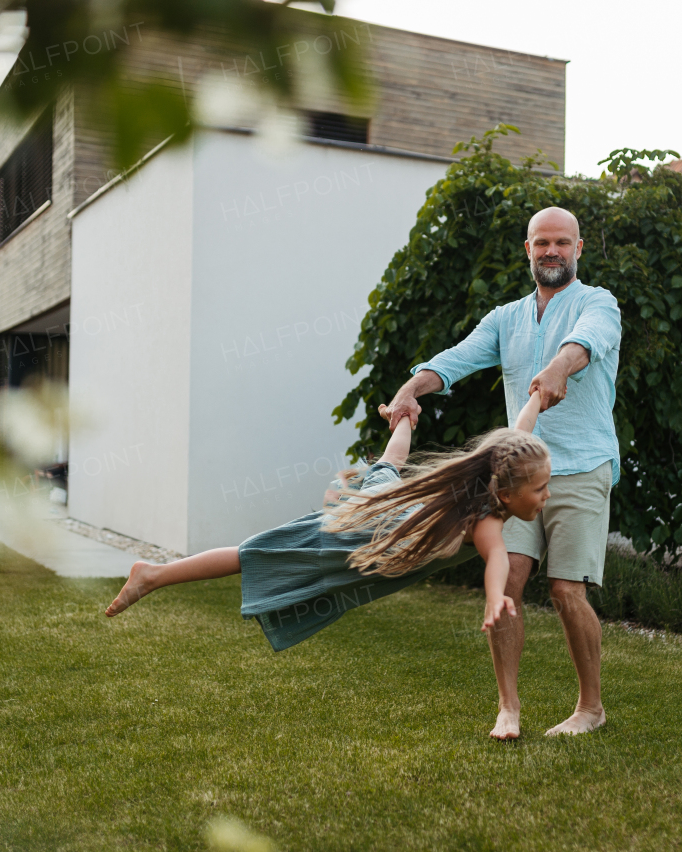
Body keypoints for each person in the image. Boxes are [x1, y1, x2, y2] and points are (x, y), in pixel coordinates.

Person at [385, 206, 621, 740]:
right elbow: (456, 359)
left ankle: (591, 707)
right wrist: (410, 389)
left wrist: (560, 367)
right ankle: (508, 709)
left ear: (578, 249)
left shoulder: (598, 302)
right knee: (507, 580)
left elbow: (588, 341)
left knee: (566, 590)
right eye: (542, 243)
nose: (552, 251)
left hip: (582, 467)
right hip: (518, 476)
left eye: (562, 242)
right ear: (528, 250)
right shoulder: (505, 318)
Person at [105, 393, 548, 660]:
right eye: (542, 489)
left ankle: (406, 417)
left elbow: (519, 432)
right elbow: (496, 559)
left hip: (379, 509)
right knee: (253, 556)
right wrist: (494, 598)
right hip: (358, 537)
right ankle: (153, 574)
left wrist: (537, 399)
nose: (547, 496)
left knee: (389, 464)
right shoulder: (487, 515)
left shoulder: (497, 473)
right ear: (507, 494)